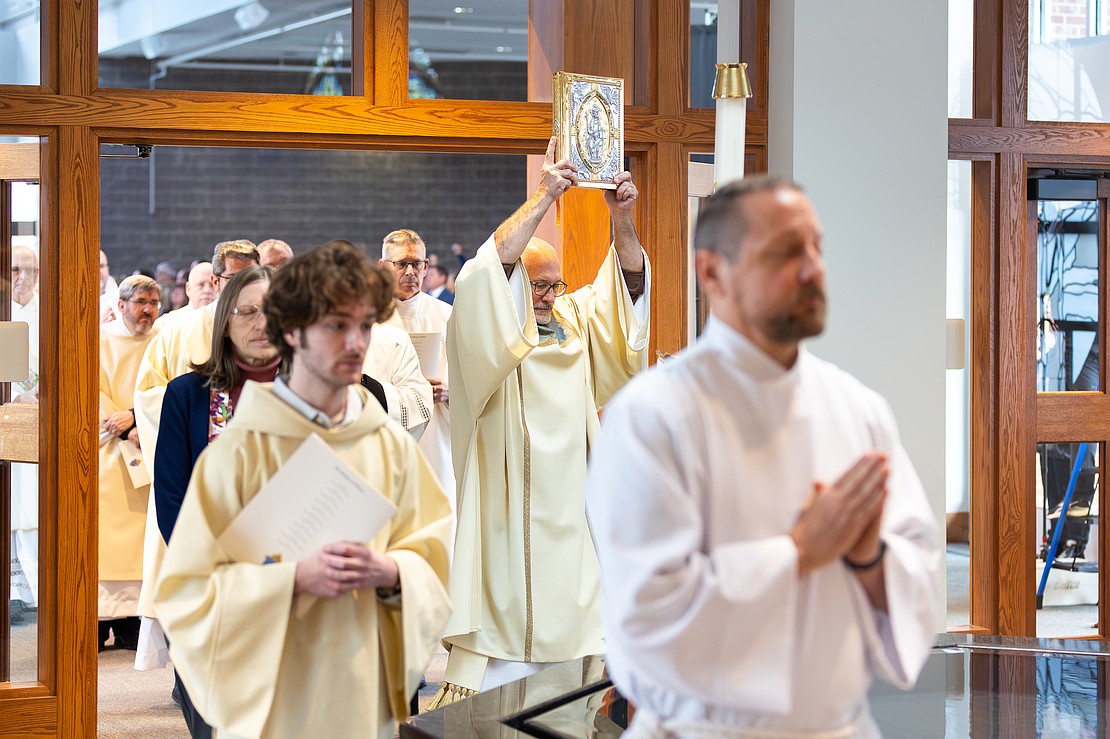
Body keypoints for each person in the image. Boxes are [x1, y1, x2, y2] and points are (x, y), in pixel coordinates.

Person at [584, 177, 941, 738]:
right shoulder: (651, 416)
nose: (811, 270)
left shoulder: (859, 407)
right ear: (712, 273)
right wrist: (798, 553)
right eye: (784, 253)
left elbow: (919, 575)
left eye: (817, 248)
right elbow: (647, 614)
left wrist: (870, 554)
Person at [154, 241, 452, 739]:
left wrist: (392, 571)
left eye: (364, 326)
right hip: (269, 691)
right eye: (337, 326)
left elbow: (435, 549)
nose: (356, 343)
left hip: (358, 681)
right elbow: (189, 590)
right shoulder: (238, 449)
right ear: (292, 332)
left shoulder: (385, 445)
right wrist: (290, 581)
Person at [433, 136, 649, 701]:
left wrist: (620, 221)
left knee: (572, 693)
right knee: (493, 706)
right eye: (537, 285)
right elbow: (487, 271)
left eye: (557, 283)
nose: (551, 295)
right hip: (503, 523)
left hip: (572, 523)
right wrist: (545, 196)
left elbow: (624, 300)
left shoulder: (574, 325)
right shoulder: (482, 335)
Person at [154, 266, 281, 738]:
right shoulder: (188, 395)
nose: (260, 322)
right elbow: (171, 496)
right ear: (225, 320)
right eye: (248, 311)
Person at [132, 239, 260, 669]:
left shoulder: (293, 382)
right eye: (234, 281)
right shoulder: (177, 329)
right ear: (216, 278)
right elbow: (150, 394)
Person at [97, 275, 163, 650]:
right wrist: (120, 423)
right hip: (108, 447)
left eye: (153, 303)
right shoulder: (100, 340)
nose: (148, 310)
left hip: (149, 445)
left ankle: (130, 624)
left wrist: (138, 417)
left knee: (142, 540)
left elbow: (168, 386)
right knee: (107, 538)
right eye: (141, 302)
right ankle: (98, 620)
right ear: (121, 305)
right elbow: (89, 386)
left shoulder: (162, 341)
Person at [379, 229, 455, 512]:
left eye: (418, 264)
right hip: (386, 437)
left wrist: (449, 391)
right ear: (382, 266)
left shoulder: (447, 316)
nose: (411, 271)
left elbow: (471, 380)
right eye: (401, 264)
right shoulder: (368, 319)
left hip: (436, 435)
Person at [9, 246, 40, 622]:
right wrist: (15, 394)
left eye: (29, 269)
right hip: (9, 417)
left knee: (33, 506)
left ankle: (34, 589)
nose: (22, 276)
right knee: (13, 506)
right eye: (15, 269)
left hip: (41, 421)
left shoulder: (47, 314)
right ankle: (13, 589)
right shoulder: (4, 314)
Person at [99, 250, 120, 323]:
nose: (97, 271)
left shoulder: (120, 299)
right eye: (92, 266)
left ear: (107, 268)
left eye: (101, 266)